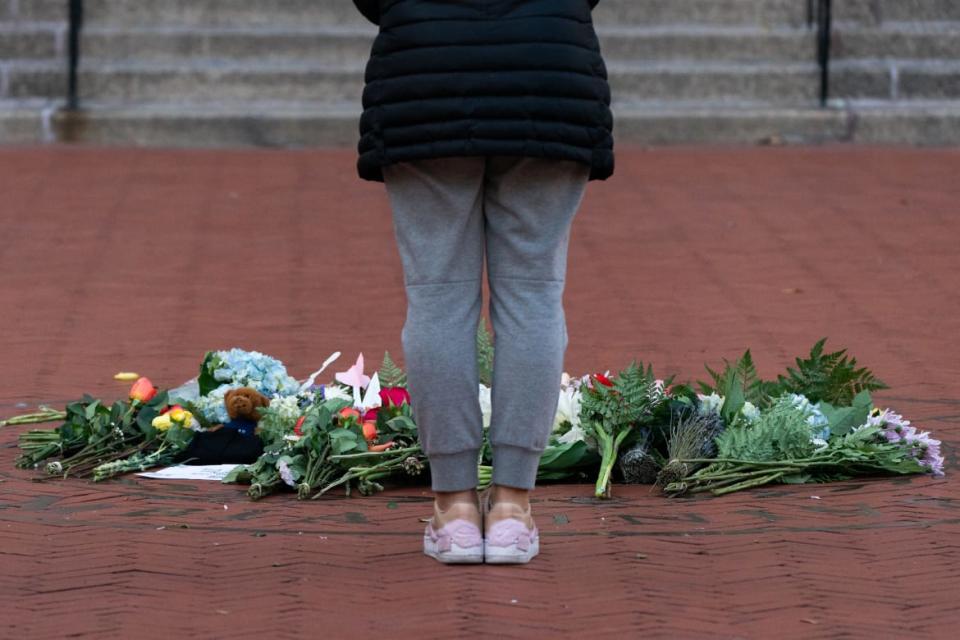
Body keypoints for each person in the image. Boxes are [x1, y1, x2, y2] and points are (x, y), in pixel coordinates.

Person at [351, 0, 613, 564]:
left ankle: (456, 512)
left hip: (426, 71)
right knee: (534, 293)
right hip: (548, 67)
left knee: (438, 296)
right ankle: (513, 508)